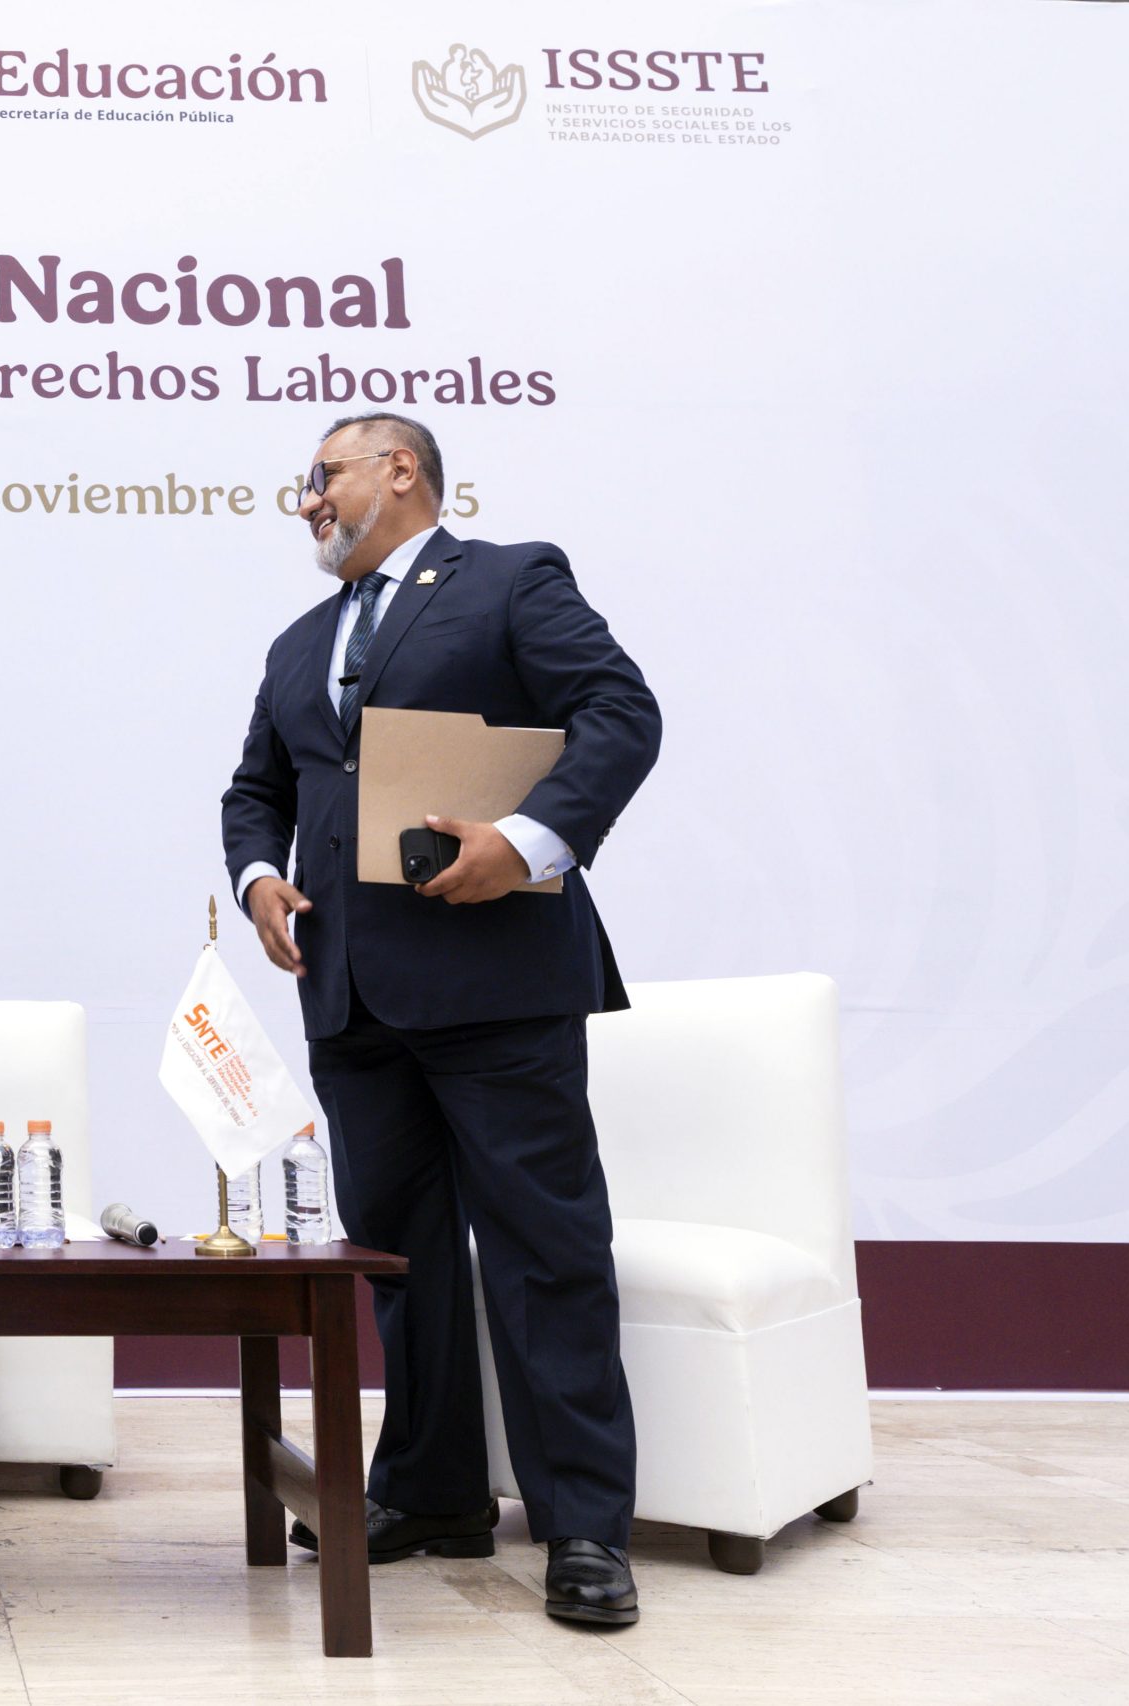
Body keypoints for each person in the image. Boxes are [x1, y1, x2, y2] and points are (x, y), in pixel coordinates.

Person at [220, 412, 662, 1627]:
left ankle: (583, 1525)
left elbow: (619, 712)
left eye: (323, 475)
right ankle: (430, 1489)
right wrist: (258, 877)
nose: (307, 499)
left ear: (400, 470)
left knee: (542, 1252)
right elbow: (257, 786)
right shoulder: (299, 640)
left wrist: (526, 840)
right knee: (400, 1260)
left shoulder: (511, 580)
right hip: (351, 996)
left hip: (495, 982)